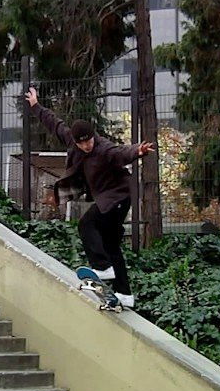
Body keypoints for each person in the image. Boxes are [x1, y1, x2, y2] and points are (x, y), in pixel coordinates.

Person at [25, 86, 154, 308]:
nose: (86, 146)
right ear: (75, 141)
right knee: (111, 243)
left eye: (89, 141)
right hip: (107, 200)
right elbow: (54, 124)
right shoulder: (71, 140)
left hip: (118, 198)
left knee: (86, 224)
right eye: (82, 143)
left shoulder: (104, 149)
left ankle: (102, 267)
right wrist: (36, 106)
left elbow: (121, 152)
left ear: (93, 137)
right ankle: (125, 294)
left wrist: (137, 152)